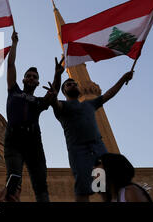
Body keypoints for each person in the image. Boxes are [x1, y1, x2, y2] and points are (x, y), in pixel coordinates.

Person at [47, 71, 134, 202]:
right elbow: (55, 103)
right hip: (78, 151)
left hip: (98, 147)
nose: (72, 85)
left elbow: (108, 94)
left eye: (74, 84)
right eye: (68, 84)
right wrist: (56, 80)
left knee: (103, 185)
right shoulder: (63, 106)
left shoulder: (89, 104)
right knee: (83, 187)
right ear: (64, 91)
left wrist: (122, 79)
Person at [4, 30, 64, 202]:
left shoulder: (38, 102)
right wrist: (14, 44)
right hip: (13, 139)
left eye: (34, 77)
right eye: (28, 76)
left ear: (38, 82)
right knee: (13, 180)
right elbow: (10, 66)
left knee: (40, 185)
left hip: (33, 142)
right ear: (23, 80)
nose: (31, 78)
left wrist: (57, 76)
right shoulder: (13, 91)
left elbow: (52, 94)